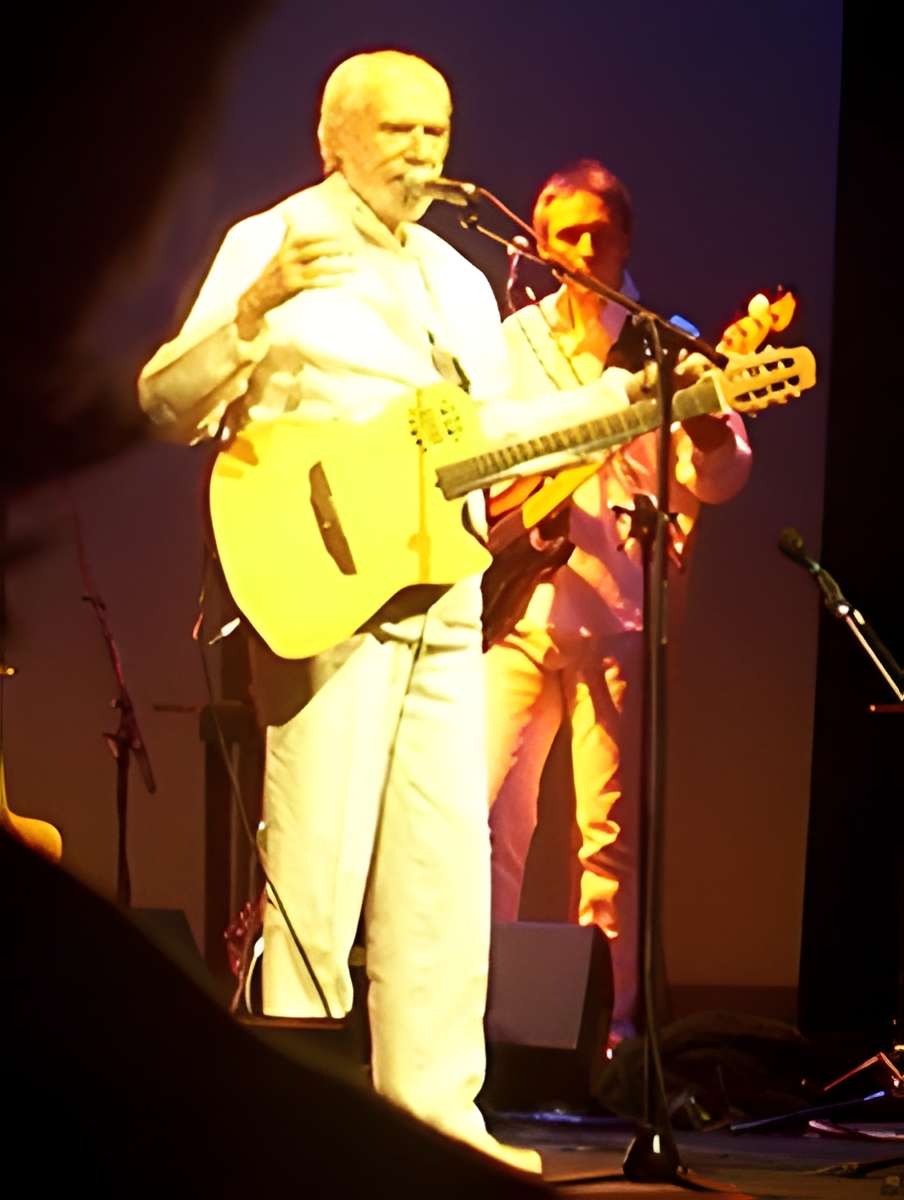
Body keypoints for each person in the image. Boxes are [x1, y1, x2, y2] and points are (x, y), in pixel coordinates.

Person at [138, 54, 650, 1171]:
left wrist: (627, 402)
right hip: (324, 590)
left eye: (440, 131)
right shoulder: (271, 242)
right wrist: (260, 306)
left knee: (441, 872)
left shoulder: (461, 281)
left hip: (445, 595)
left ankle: (435, 1129)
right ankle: (297, 1129)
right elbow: (167, 403)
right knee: (315, 866)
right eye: (401, 132)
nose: (426, 154)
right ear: (334, 139)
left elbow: (504, 435)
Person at [487, 159, 752, 1042]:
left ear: (627, 237)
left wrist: (711, 429)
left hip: (618, 612)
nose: (585, 249)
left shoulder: (665, 341)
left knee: (608, 838)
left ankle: (606, 1032)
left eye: (602, 232)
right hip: (518, 610)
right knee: (486, 816)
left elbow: (719, 475)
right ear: (540, 242)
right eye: (568, 234)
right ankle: (482, 1021)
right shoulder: (510, 342)